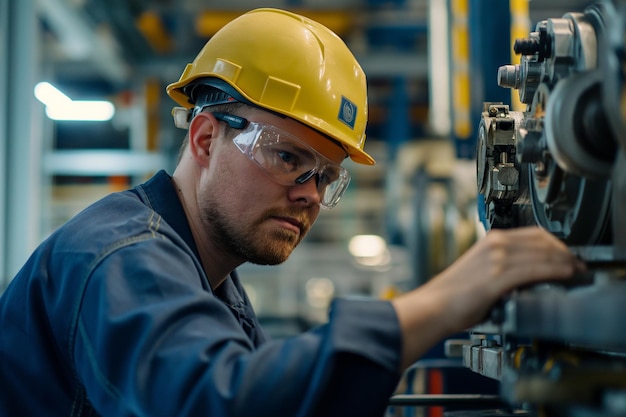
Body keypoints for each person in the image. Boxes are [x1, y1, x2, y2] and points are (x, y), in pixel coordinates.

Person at [0, 7, 585, 417]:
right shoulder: (122, 255)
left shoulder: (212, 282)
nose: (309, 194)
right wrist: (437, 304)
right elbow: (214, 401)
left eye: (326, 176)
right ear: (205, 140)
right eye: (287, 157)